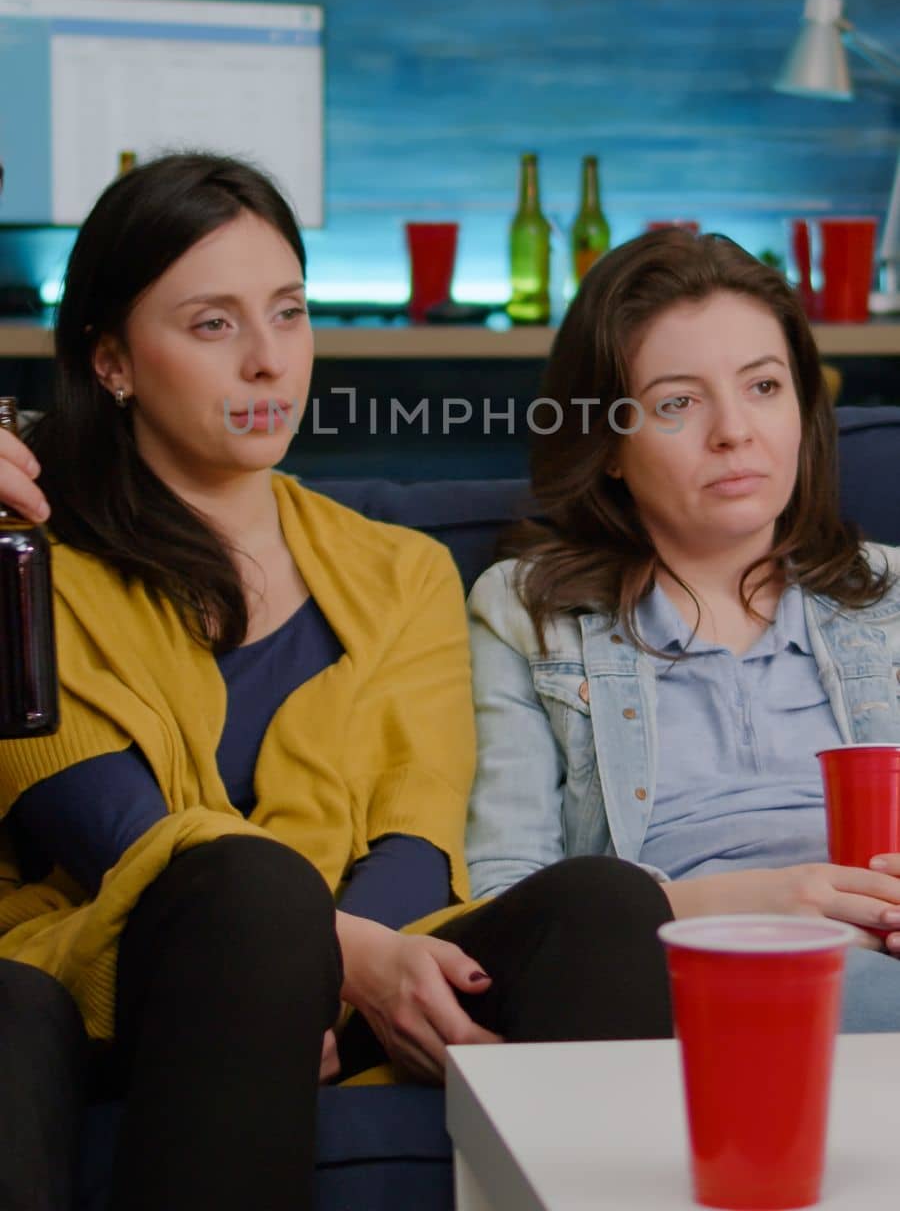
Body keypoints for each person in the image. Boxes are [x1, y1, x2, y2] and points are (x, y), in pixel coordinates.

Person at [0, 152, 676, 1211]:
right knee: (246, 888)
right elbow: (114, 832)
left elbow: (418, 832)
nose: (271, 361)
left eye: (288, 312)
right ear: (112, 361)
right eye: (213, 324)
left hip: (367, 961)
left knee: (606, 906)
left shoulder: (398, 568)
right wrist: (320, 959)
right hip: (130, 970)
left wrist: (347, 963)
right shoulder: (29, 562)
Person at [466, 227, 900, 1032]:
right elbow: (508, 911)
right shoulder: (530, 615)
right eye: (677, 403)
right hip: (673, 983)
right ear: (611, 446)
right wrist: (756, 904)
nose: (733, 431)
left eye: (763, 387)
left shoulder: (892, 596)